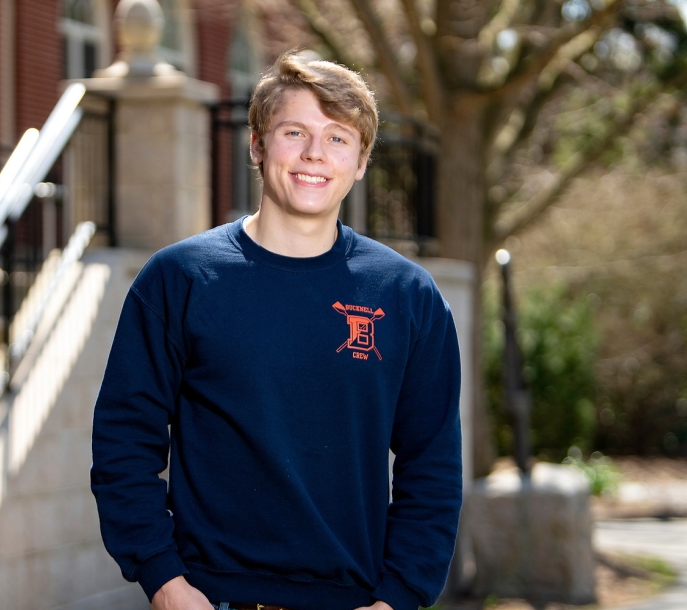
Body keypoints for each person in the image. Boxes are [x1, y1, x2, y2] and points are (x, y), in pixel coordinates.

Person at [90, 50, 463, 610]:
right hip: (211, 599)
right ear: (258, 145)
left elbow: (431, 467)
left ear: (361, 161)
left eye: (339, 138)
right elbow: (123, 442)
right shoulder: (180, 279)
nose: (316, 153)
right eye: (296, 132)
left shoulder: (407, 297)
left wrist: (399, 598)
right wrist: (164, 581)